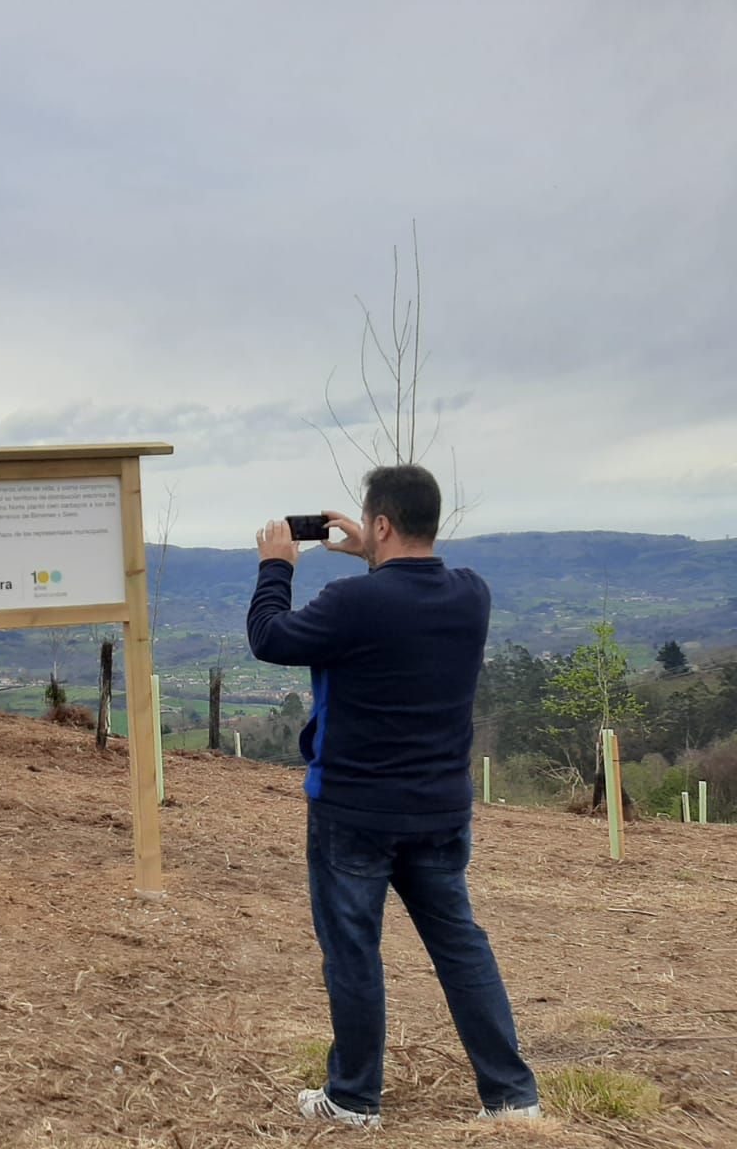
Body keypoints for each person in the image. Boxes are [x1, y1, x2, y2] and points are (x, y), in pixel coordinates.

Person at [245, 464, 540, 1128]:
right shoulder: (473, 595)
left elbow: (269, 638)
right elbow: (417, 584)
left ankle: (353, 1099)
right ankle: (512, 1098)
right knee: (461, 946)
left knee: (353, 951)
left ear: (379, 524)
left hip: (353, 812)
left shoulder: (354, 604)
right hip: (440, 811)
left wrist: (276, 567)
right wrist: (374, 552)